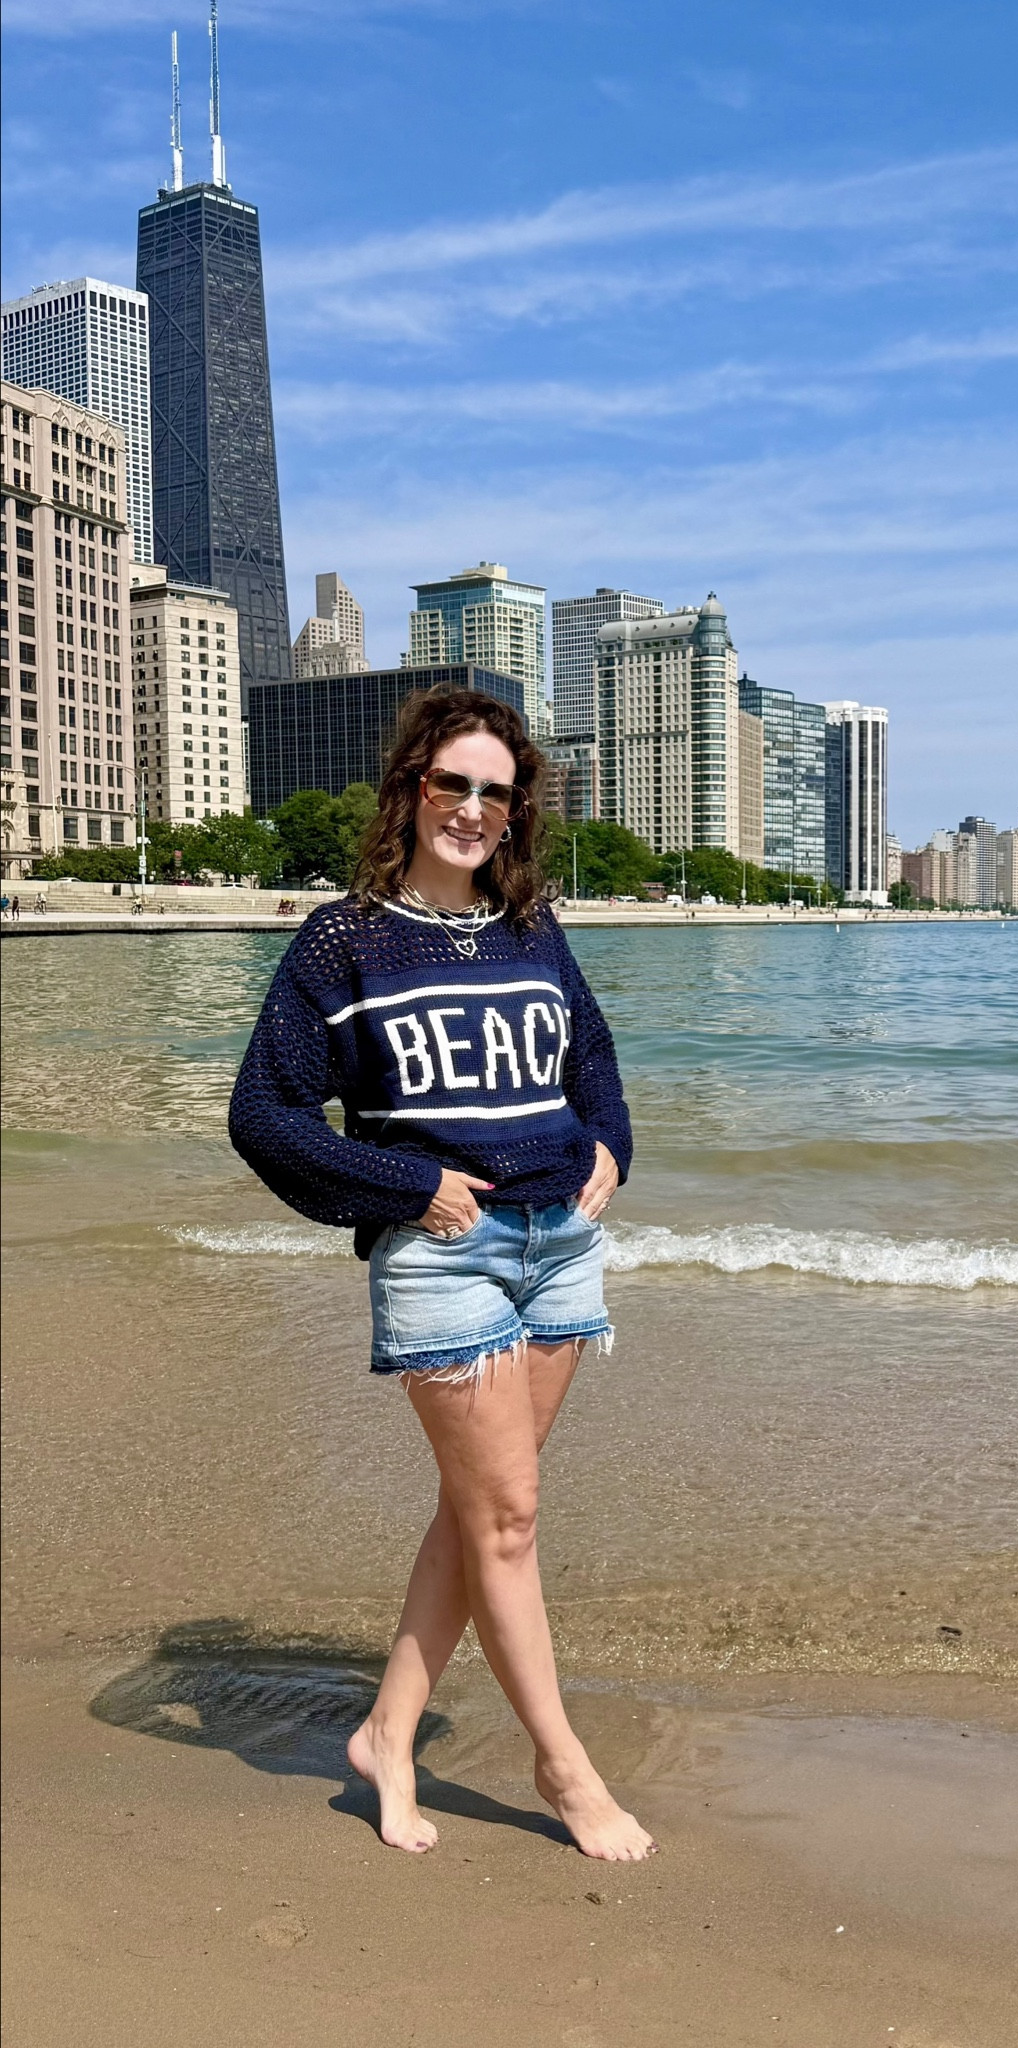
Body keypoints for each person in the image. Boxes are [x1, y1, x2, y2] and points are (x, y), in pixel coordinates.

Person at [228, 690, 652, 1863]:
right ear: (411, 789)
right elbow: (264, 1111)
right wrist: (402, 1184)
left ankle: (385, 1733)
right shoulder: (344, 939)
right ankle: (564, 1768)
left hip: (560, 1245)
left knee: (483, 1513)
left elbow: (591, 1052)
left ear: (518, 812)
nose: (471, 809)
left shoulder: (531, 926)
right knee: (506, 1516)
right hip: (447, 1253)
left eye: (495, 793)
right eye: (451, 783)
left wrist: (611, 1146)